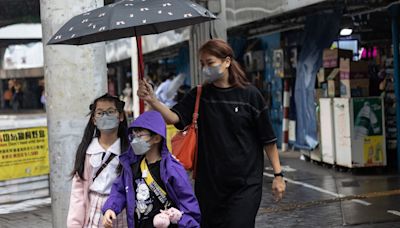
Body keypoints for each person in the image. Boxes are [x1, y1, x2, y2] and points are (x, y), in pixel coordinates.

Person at [137, 39, 286, 228]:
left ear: (227, 61)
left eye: (210, 63)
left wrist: (278, 175)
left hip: (245, 185)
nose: (205, 68)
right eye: (202, 64)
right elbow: (173, 118)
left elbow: (268, 139)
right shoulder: (200, 95)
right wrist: (153, 100)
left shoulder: (250, 96)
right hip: (209, 186)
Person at [102, 110, 201, 228]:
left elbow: (189, 206)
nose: (134, 140)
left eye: (140, 136)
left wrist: (185, 222)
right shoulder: (132, 165)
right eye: (133, 135)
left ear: (157, 138)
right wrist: (111, 208)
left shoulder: (172, 169)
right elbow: (120, 189)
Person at [67, 93, 129, 228]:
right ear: (94, 119)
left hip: (122, 210)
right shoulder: (87, 151)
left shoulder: (129, 151)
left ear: (121, 116)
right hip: (94, 208)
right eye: (100, 113)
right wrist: (74, 224)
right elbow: (78, 194)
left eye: (110, 112)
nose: (105, 116)